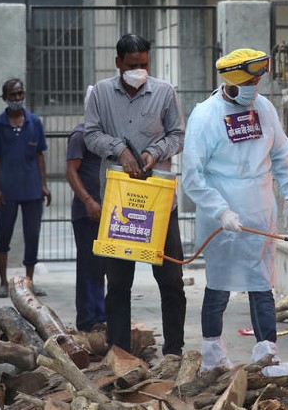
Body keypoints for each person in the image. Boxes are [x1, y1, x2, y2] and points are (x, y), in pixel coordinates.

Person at [181, 48, 288, 369]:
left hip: (260, 213)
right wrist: (220, 210)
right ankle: (213, 354)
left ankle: (267, 351)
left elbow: (282, 153)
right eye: (248, 83)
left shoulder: (264, 108)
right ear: (231, 82)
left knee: (261, 284)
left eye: (257, 82)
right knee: (219, 285)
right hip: (222, 220)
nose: (253, 89)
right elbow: (192, 177)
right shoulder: (205, 116)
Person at [84, 34, 187, 356]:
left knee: (171, 280)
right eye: (131, 65)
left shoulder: (165, 92)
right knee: (117, 284)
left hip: (159, 202)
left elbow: (178, 135)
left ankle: (174, 351)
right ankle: (119, 352)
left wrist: (153, 153)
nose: (138, 71)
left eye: (143, 64)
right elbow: (91, 134)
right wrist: (119, 150)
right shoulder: (100, 93)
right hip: (120, 203)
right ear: (118, 63)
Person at [0, 78, 52, 298]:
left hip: (32, 190)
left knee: (32, 235)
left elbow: (39, 155)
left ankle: (29, 282)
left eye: (20, 93)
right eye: (12, 95)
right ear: (4, 98)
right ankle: (3, 283)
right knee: (3, 236)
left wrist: (43, 185)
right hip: (7, 191)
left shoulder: (34, 122)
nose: (17, 98)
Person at [66, 86, 106, 332]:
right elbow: (71, 172)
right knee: (88, 267)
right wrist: (89, 201)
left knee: (102, 268)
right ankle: (88, 320)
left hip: (107, 212)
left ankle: (101, 317)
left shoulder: (107, 135)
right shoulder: (80, 135)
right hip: (87, 213)